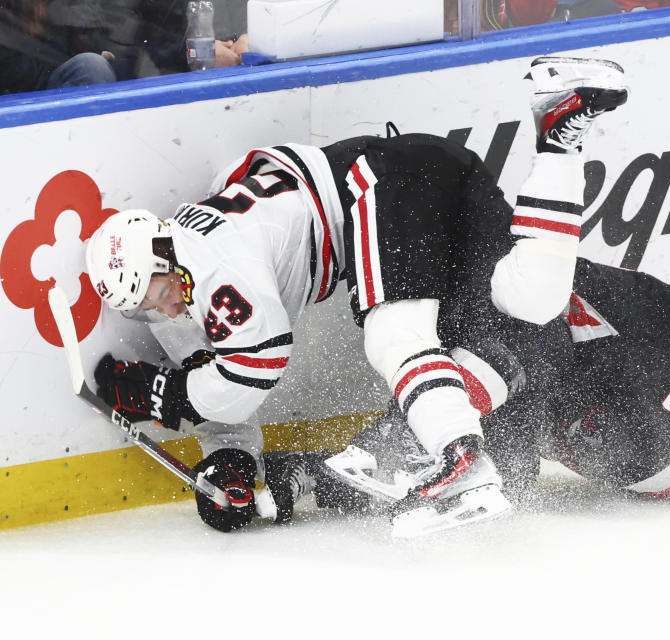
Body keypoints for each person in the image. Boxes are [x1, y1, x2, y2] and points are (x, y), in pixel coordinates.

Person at [84, 56, 629, 536]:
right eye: (142, 308)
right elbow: (221, 376)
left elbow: (255, 364)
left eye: (155, 292)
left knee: (395, 333)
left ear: (165, 250)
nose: (161, 309)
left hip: (379, 181)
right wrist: (227, 458)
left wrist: (170, 398)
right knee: (533, 297)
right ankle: (559, 139)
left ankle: (461, 460)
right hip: (432, 169)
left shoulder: (208, 260)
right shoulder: (183, 275)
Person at [328, 256, 670, 507]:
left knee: (501, 482)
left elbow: (602, 433)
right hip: (493, 313)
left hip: (504, 331)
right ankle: (383, 444)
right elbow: (637, 458)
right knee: (533, 354)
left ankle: (309, 477)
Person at [0, 0, 117, 94]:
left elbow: (76, 50)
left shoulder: (61, 17)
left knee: (95, 66)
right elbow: (17, 76)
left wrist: (98, 55)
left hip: (57, 93)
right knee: (92, 65)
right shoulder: (6, 25)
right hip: (19, 103)